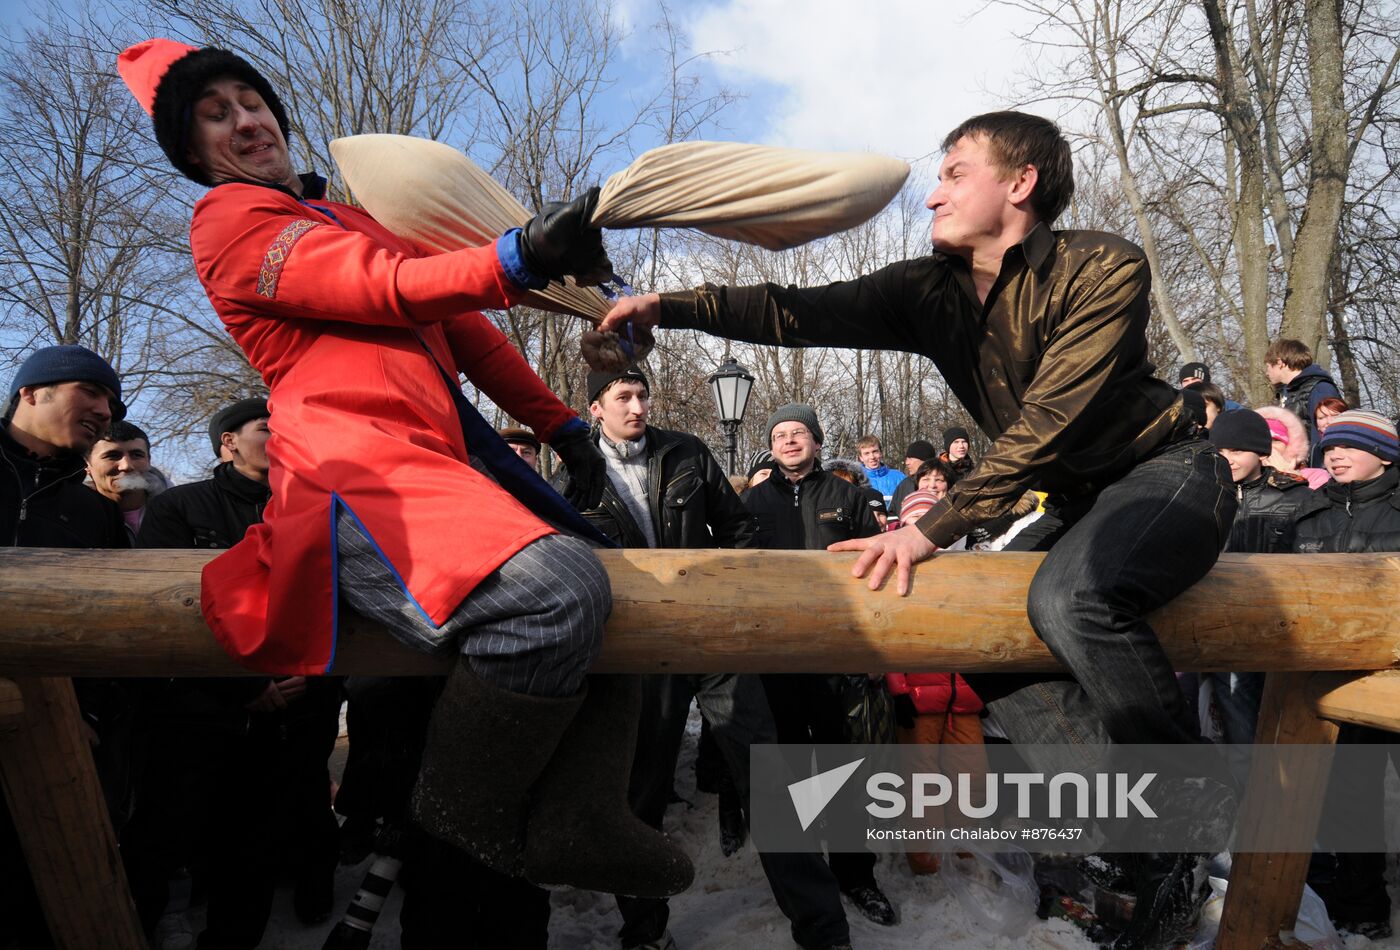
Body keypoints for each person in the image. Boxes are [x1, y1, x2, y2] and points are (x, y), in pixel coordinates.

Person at [602, 110, 1237, 948]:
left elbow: (1047, 421)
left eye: (953, 172)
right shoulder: (925, 291)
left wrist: (928, 528)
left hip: (1168, 474)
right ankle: (1123, 836)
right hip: (1075, 502)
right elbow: (794, 311)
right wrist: (669, 306)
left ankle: (1184, 826)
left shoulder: (1103, 265)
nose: (931, 191)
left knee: (1074, 600)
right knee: (980, 642)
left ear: (1020, 184)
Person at [117, 38, 689, 897]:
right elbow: (377, 286)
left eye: (250, 99)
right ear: (193, 153)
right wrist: (513, 256)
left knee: (613, 584)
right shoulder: (231, 223)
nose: (245, 120)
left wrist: (565, 428)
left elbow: (470, 337)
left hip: (430, 462)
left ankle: (580, 810)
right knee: (552, 593)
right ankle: (461, 807)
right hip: (351, 472)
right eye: (214, 113)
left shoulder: (348, 217)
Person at [125, 397, 342, 947]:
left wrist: (312, 681)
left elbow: (340, 599)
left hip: (299, 705)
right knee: (168, 836)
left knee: (257, 845)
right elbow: (167, 602)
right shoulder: (181, 507)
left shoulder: (321, 507)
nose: (285, 437)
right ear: (229, 442)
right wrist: (242, 686)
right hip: (202, 715)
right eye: (269, 428)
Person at [740, 404, 895, 938]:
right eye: (779, 435)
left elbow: (873, 573)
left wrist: (869, 650)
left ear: (817, 439)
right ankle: (804, 884)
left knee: (840, 768)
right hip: (777, 657)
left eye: (798, 433)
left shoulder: (847, 497)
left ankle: (857, 875)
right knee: (787, 772)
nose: (788, 441)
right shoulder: (752, 501)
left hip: (836, 654)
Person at [1, 344, 127, 949]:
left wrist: (92, 715)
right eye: (92, 392)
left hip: (58, 740)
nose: (106, 410)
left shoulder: (91, 511)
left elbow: (113, 628)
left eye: (111, 400)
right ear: (31, 391)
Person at [1292, 409, 1399, 938]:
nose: (1334, 454)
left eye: (1350, 445)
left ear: (1385, 455)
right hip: (1339, 681)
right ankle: (1362, 906)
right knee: (1349, 791)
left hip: (1397, 678)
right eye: (1330, 446)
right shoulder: (1308, 516)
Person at [1203, 410, 1315, 784]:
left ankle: (1294, 818)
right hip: (1223, 633)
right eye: (1221, 449)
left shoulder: (1295, 496)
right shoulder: (1200, 494)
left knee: (1288, 732)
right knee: (1240, 737)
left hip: (1280, 631)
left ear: (1260, 452)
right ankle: (1248, 817)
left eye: (1238, 449)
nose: (1229, 459)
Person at [85, 419, 166, 541]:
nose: (126, 466)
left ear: (149, 460)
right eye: (112, 456)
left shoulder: (179, 509)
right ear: (87, 465)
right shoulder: (69, 515)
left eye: (136, 455)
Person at [1264, 338, 1341, 448]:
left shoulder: (1320, 389)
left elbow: (1327, 435)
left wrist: (1316, 463)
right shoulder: (1285, 392)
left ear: (1280, 363)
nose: (1267, 373)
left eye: (1268, 367)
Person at [1255, 405, 1330, 489]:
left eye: (1276, 440)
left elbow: (1309, 501)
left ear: (1291, 445)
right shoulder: (1245, 478)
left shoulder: (1316, 476)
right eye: (1261, 440)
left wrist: (1286, 476)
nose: (1268, 446)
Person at [889, 439, 938, 523]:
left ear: (923, 460)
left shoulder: (941, 482)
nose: (906, 462)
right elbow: (892, 514)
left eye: (910, 458)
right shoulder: (904, 485)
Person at [855, 435, 904, 507]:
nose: (872, 457)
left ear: (881, 453)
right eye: (867, 453)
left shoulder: (899, 477)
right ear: (861, 458)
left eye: (875, 451)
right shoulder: (856, 480)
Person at [1311, 396, 1348, 466]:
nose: (1329, 421)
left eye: (1335, 415)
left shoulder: (1358, 444)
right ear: (1317, 425)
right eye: (1322, 418)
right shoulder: (1316, 449)